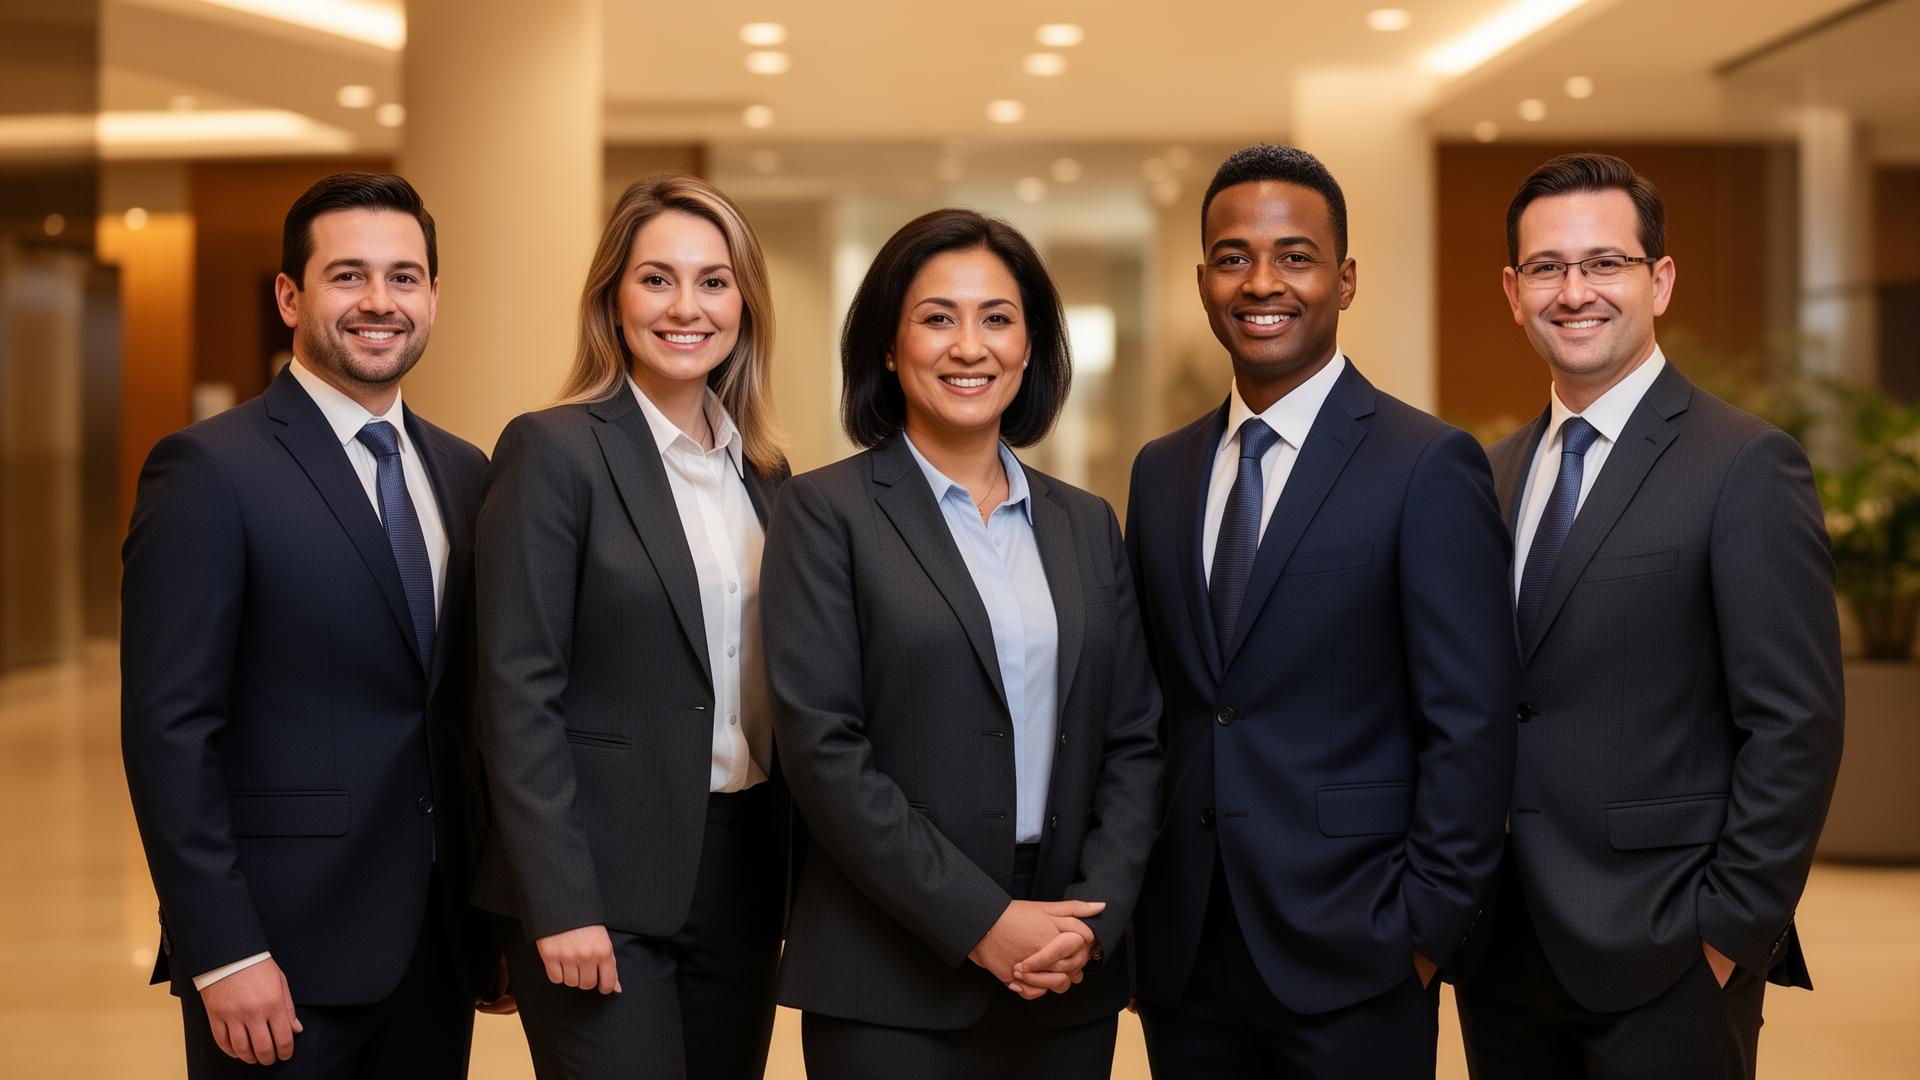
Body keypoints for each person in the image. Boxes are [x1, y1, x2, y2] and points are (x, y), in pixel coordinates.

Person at [1126, 144, 1517, 1077]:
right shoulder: (1161, 470)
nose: (1263, 282)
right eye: (1234, 257)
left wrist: (1422, 932)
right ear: (1202, 280)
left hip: (1359, 951)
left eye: (1296, 256)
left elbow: (1471, 720)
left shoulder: (1426, 463)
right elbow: (1160, 707)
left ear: (1343, 281)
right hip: (1188, 954)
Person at [1453, 152, 1844, 1080]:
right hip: (1503, 951)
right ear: (1513, 291)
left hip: (1669, 950)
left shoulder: (1746, 463)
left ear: (1659, 280)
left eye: (1605, 263)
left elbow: (1795, 723)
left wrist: (1727, 935)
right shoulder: (1489, 474)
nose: (1573, 291)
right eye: (1546, 267)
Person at [761, 207, 1162, 1079]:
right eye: (937, 318)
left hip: (1065, 972)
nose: (968, 347)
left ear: (1031, 350)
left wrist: (1092, 922)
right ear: (888, 348)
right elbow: (824, 754)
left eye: (998, 318)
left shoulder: (1086, 524)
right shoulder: (825, 514)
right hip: (889, 982)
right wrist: (982, 921)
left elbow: (1134, 740)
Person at [121, 172, 503, 1077]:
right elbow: (170, 731)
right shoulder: (208, 469)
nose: (381, 302)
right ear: (291, 295)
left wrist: (492, 916)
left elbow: (466, 718)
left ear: (435, 296)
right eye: (349, 276)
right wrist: (221, 950)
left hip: (433, 953)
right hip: (277, 960)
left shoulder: (467, 471)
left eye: (405, 277)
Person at [471, 174, 788, 1080]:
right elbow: (515, 693)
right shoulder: (554, 451)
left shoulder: (768, 476)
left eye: (714, 281)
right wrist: (560, 900)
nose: (686, 307)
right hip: (600, 881)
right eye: (656, 279)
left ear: (744, 305)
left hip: (741, 876)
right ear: (612, 299)